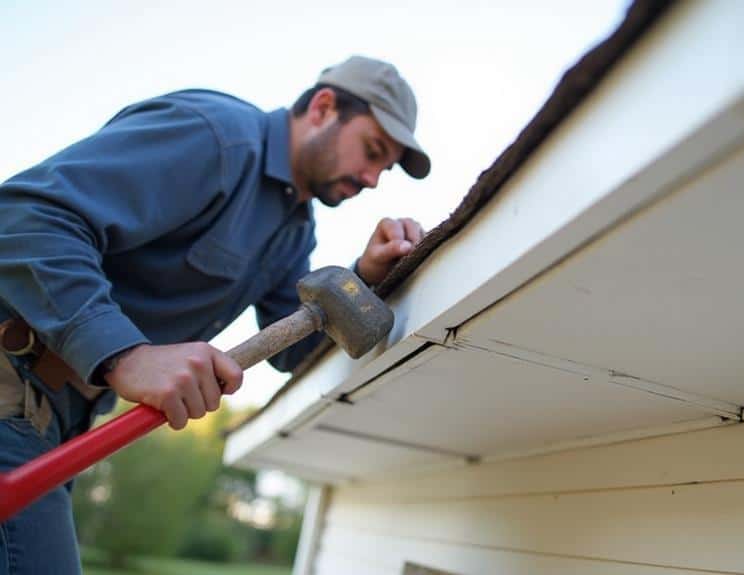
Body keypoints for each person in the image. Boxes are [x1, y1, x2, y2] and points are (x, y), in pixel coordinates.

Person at [0, 55, 430, 573]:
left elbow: (293, 349)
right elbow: (26, 218)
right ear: (322, 108)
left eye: (384, 168)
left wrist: (362, 275)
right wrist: (127, 355)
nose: (373, 179)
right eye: (372, 151)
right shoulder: (218, 136)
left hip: (58, 424)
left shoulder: (294, 230)